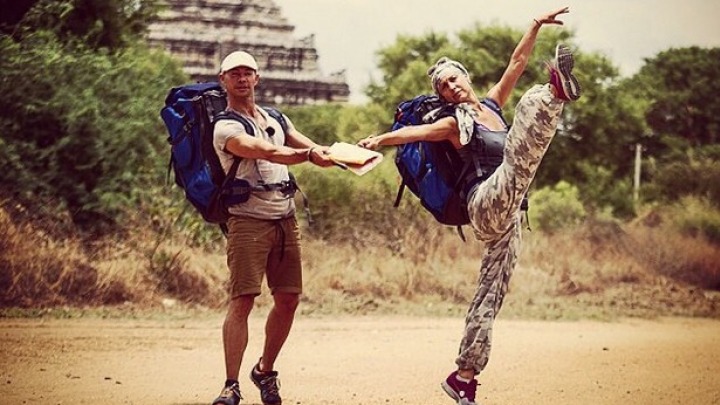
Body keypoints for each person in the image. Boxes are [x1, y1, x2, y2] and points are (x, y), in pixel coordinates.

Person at [357, 7, 581, 405]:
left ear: (466, 77)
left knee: (490, 294)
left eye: (454, 78)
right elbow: (415, 132)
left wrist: (534, 26)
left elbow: (516, 63)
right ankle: (553, 94)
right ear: (442, 95)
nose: (451, 86)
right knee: (520, 149)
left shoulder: (493, 106)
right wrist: (378, 140)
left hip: (508, 216)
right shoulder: (454, 124)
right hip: (483, 202)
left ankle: (464, 377)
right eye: (443, 86)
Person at [211, 50, 335, 405]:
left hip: (285, 217)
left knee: (289, 299)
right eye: (234, 74)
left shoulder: (277, 118)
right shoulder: (226, 127)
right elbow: (265, 151)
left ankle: (265, 371)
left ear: (257, 78)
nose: (242, 79)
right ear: (224, 81)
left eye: (247, 72)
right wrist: (309, 156)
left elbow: (312, 147)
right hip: (248, 219)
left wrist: (344, 154)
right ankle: (231, 385)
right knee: (243, 299)